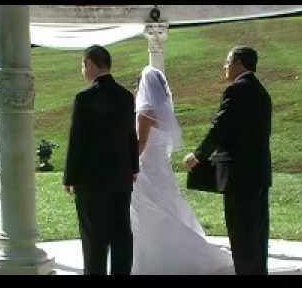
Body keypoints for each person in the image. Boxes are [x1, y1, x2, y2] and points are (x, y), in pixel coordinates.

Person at [130, 65, 233, 275]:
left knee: (148, 212)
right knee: (166, 208)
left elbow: (140, 144)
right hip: (160, 167)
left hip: (146, 167)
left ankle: (151, 259)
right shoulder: (162, 110)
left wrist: (127, 162)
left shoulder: (145, 112)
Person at [184, 46, 272, 275]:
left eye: (228, 62)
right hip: (259, 173)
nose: (225, 66)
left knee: (241, 235)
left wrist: (198, 155)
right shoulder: (262, 92)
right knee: (257, 233)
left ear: (239, 63)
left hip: (239, 176)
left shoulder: (236, 90)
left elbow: (220, 127)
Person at [63, 45, 139, 275]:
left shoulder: (84, 98)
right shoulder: (126, 96)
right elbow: (131, 136)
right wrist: (133, 167)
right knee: (121, 233)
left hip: (91, 180)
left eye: (83, 65)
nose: (82, 70)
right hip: (121, 177)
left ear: (90, 64)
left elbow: (77, 141)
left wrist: (69, 177)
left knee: (93, 237)